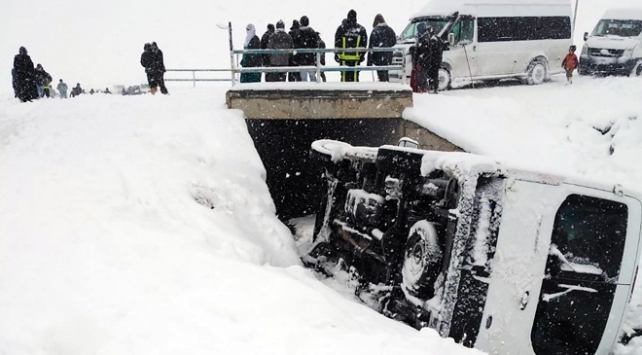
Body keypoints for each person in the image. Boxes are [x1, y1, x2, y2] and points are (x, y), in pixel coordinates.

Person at [335, 10, 368, 82]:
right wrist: (361, 55)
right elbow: (364, 45)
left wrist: (336, 55)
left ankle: (344, 91)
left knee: (344, 76)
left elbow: (337, 43)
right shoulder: (361, 29)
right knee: (355, 76)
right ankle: (355, 91)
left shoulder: (341, 28)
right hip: (356, 58)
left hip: (343, 58)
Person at [367, 14, 397, 82]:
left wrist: (369, 61)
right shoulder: (390, 30)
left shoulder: (375, 31)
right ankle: (386, 85)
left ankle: (382, 86)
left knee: (380, 74)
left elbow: (371, 46)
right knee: (386, 72)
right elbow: (394, 41)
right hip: (388, 56)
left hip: (378, 57)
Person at [294, 16, 319, 82]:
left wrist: (296, 58)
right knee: (312, 76)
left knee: (303, 77)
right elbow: (316, 45)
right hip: (310, 57)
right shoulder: (312, 32)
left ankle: (304, 90)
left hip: (301, 58)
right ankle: (314, 90)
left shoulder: (298, 32)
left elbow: (296, 46)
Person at [411, 23, 431, 93]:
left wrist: (419, 63)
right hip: (423, 63)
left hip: (422, 64)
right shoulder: (423, 37)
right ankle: (424, 90)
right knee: (422, 78)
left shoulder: (424, 39)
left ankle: (423, 92)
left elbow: (423, 53)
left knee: (421, 79)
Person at [427, 27, 444, 93]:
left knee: (432, 74)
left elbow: (431, 50)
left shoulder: (433, 40)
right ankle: (435, 87)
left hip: (433, 60)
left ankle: (433, 87)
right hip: (436, 60)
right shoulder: (437, 38)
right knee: (435, 74)